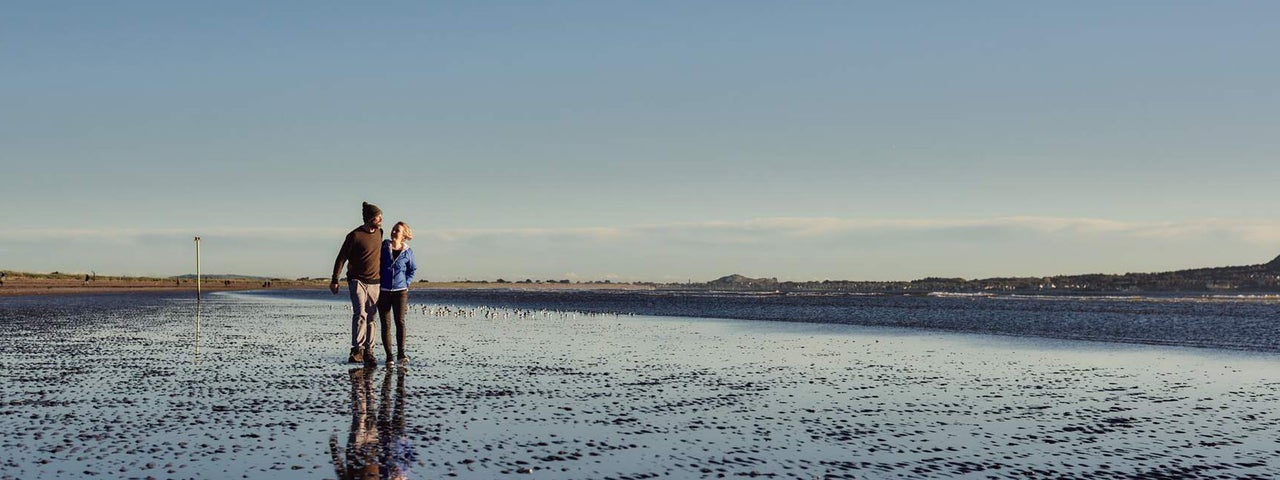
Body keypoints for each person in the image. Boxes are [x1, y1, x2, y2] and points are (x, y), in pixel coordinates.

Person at [332, 202, 384, 366]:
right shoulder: (354, 235)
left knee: (371, 316)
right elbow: (341, 258)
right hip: (357, 280)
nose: (381, 219)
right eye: (378, 216)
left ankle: (369, 351)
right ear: (370, 218)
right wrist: (335, 279)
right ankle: (357, 350)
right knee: (360, 313)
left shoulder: (380, 233)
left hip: (375, 281)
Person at [378, 222, 417, 365]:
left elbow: (412, 270)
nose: (394, 232)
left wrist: (406, 283)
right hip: (383, 291)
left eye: (398, 230)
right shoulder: (383, 246)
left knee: (400, 322)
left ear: (404, 235)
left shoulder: (408, 252)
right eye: (393, 229)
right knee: (385, 324)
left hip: (400, 292)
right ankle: (389, 356)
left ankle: (401, 354)